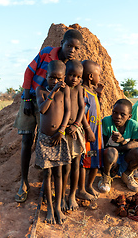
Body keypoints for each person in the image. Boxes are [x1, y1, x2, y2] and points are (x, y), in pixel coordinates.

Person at [14, 29, 83, 203]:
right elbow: (29, 72)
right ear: (62, 43)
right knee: (27, 140)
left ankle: (47, 186)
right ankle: (23, 182)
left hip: (51, 108)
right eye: (69, 46)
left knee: (48, 143)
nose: (72, 50)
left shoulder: (70, 66)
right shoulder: (46, 53)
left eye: (76, 48)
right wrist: (27, 97)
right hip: (32, 98)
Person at [34, 60, 71, 224]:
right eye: (51, 78)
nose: (55, 81)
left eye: (58, 79)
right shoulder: (40, 90)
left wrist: (62, 130)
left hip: (59, 138)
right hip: (44, 139)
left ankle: (57, 207)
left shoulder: (66, 91)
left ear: (63, 78)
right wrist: (53, 92)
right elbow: (43, 109)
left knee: (59, 173)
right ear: (46, 76)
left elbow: (68, 111)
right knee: (47, 174)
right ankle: (49, 207)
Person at [98, 99, 138, 193]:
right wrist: (126, 146)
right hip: (109, 160)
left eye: (122, 114)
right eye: (115, 112)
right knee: (111, 152)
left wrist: (123, 141)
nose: (117, 117)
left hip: (125, 159)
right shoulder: (107, 122)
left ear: (129, 116)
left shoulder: (133, 125)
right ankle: (106, 176)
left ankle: (127, 174)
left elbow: (135, 148)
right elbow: (102, 147)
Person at [77, 60, 104, 200]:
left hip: (97, 135)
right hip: (88, 133)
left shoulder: (92, 93)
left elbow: (95, 109)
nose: (100, 77)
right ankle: (80, 189)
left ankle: (89, 186)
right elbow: (81, 113)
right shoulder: (82, 92)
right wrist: (88, 130)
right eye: (98, 74)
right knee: (84, 161)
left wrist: (99, 95)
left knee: (96, 160)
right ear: (90, 76)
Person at [61, 59, 85, 211]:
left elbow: (82, 107)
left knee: (76, 165)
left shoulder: (79, 89)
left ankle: (72, 196)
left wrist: (76, 124)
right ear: (64, 75)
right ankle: (62, 196)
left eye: (77, 76)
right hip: (64, 132)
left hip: (76, 130)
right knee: (65, 166)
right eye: (71, 75)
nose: (74, 79)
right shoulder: (62, 88)